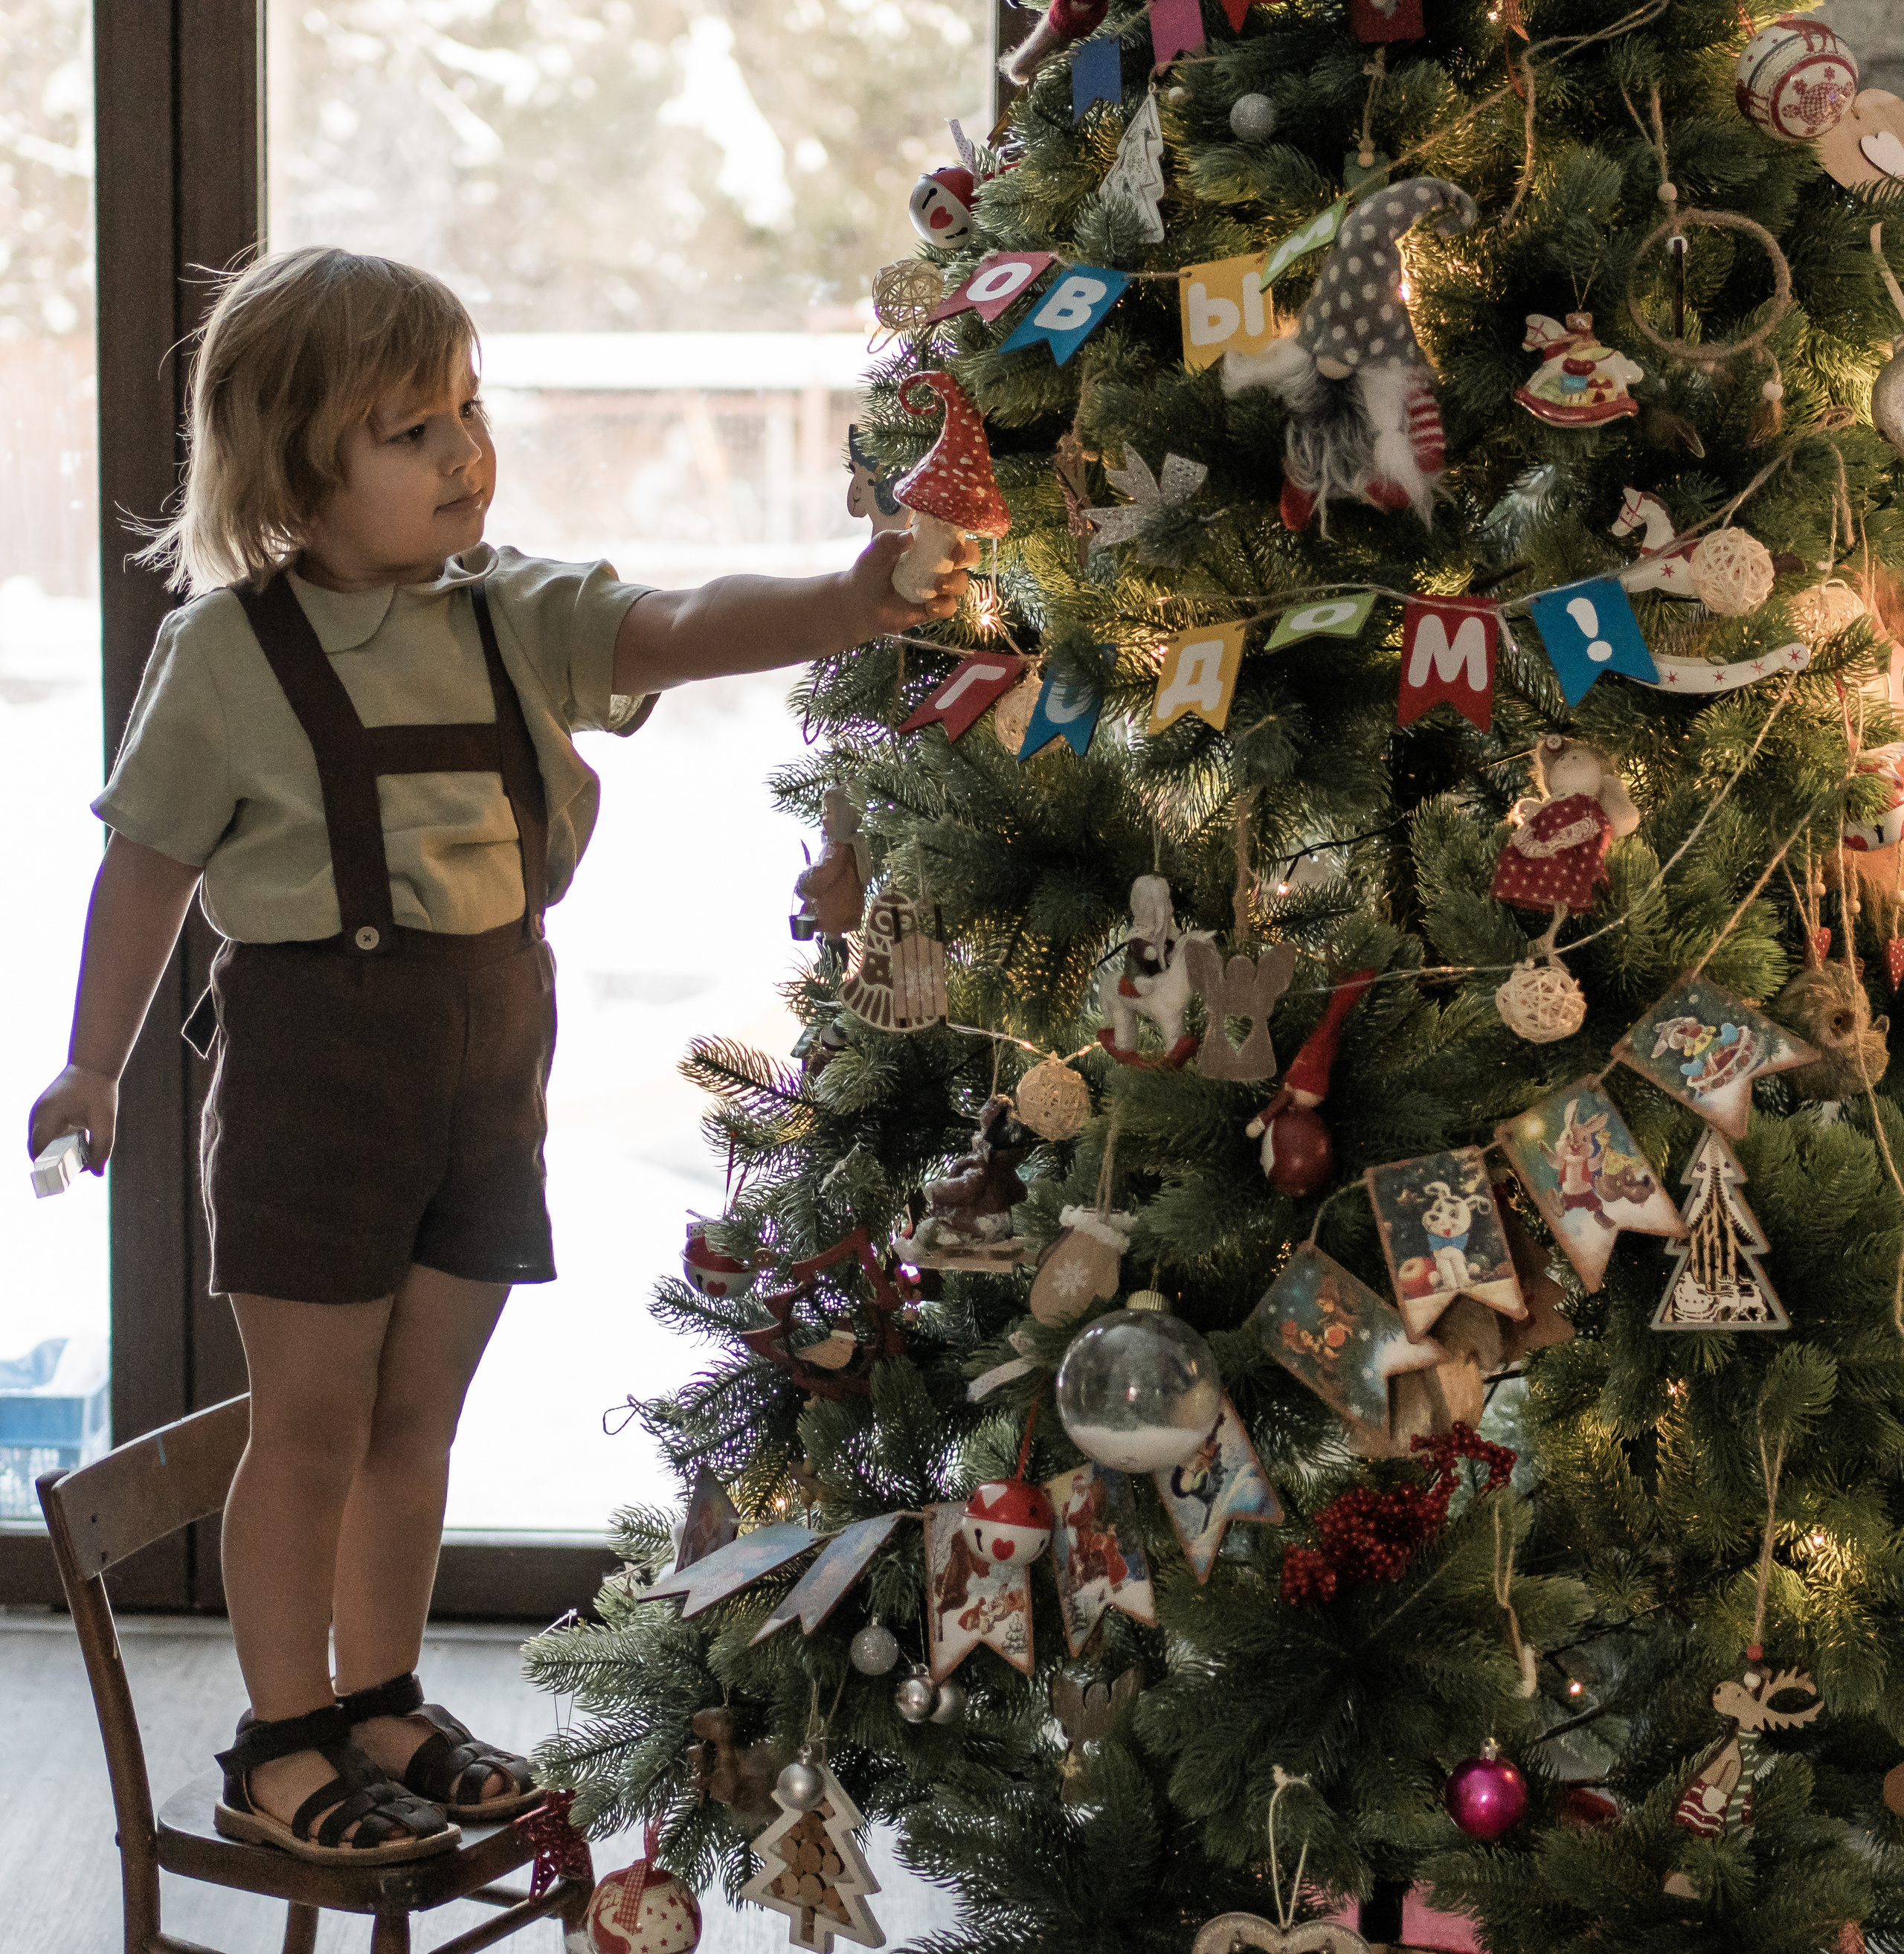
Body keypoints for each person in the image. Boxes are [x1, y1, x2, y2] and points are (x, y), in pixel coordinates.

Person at [25, 246, 975, 1865]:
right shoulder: (224, 657)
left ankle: (379, 1691)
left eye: (468, 407)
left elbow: (673, 621)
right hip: (316, 1071)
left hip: (486, 1057)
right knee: (310, 1421)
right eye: (410, 428)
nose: (464, 450)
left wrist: (842, 599)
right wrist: (93, 1062)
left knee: (416, 1420)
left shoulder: (515, 611)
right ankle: (280, 1734)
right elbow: (148, 871)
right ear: (293, 464)